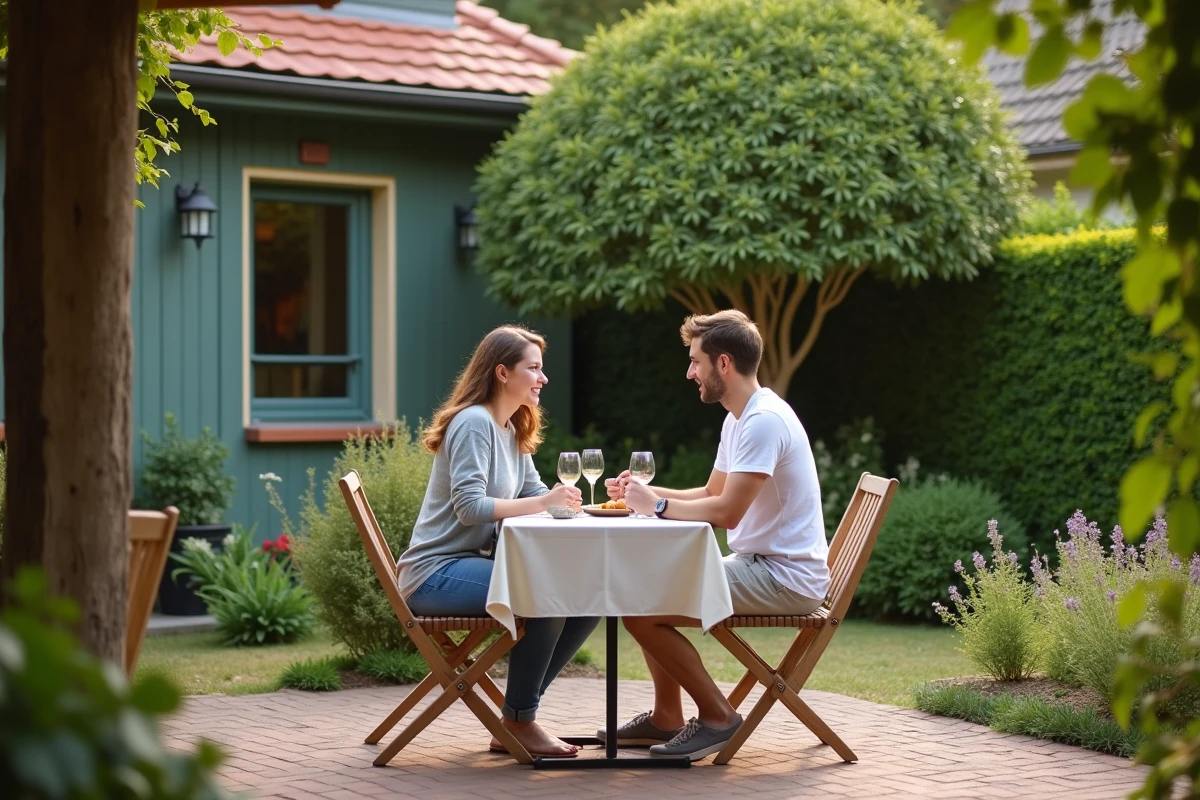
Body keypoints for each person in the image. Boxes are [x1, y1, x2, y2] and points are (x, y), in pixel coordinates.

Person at [602, 309, 829, 761]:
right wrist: (641, 494)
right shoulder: (739, 417)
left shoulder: (764, 421)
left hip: (784, 579)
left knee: (641, 606)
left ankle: (717, 716)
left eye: (695, 361)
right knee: (641, 593)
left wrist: (659, 507)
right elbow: (711, 492)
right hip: (761, 566)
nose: (690, 373)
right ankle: (666, 715)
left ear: (723, 363)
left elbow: (726, 513)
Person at [397, 325, 599, 758]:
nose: (543, 378)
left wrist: (576, 507)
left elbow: (531, 492)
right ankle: (520, 721)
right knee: (548, 595)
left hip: (466, 563)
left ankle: (513, 716)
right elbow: (469, 508)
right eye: (534, 368)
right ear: (503, 372)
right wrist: (547, 501)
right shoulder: (473, 424)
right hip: (434, 574)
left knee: (587, 596)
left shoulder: (509, 425)